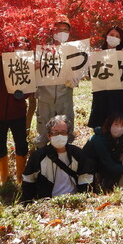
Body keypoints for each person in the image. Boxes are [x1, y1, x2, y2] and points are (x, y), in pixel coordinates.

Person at [20, 116, 90, 203]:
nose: (60, 136)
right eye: (55, 133)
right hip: (48, 203)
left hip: (74, 201)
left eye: (63, 132)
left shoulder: (78, 154)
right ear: (49, 136)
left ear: (68, 135)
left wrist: (84, 200)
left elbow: (86, 179)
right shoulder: (38, 156)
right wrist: (27, 204)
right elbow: (28, 180)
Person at [0, 54, 31, 185]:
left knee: (21, 143)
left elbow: (27, 90)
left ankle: (20, 174)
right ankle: (3, 175)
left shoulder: (21, 60)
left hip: (17, 112)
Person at [33, 19, 76, 148]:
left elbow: (82, 70)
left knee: (67, 132)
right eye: (59, 30)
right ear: (53, 32)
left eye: (65, 30)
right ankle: (43, 161)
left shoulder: (73, 51)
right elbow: (28, 75)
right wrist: (33, 68)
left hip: (65, 98)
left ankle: (66, 162)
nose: (62, 33)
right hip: (45, 98)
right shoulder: (42, 50)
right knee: (43, 134)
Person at [87, 26, 123, 129]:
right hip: (103, 95)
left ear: (121, 39)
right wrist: (94, 58)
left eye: (117, 36)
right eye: (112, 35)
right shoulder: (98, 53)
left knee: (120, 123)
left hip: (121, 95)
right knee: (102, 124)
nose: (114, 37)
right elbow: (91, 75)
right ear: (106, 36)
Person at [82, 113, 123, 191]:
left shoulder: (118, 139)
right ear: (109, 125)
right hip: (89, 170)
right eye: (116, 125)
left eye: (122, 125)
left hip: (104, 165)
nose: (119, 128)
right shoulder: (99, 140)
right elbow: (110, 166)